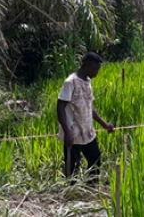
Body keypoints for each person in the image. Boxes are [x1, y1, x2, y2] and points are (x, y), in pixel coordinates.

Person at [56, 52, 115, 186]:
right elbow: (60, 107)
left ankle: (91, 187)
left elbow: (89, 107)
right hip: (73, 131)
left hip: (87, 130)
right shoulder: (70, 82)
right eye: (96, 69)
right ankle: (73, 193)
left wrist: (104, 125)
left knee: (95, 158)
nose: (97, 72)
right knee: (73, 165)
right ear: (88, 66)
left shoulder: (87, 82)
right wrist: (67, 132)